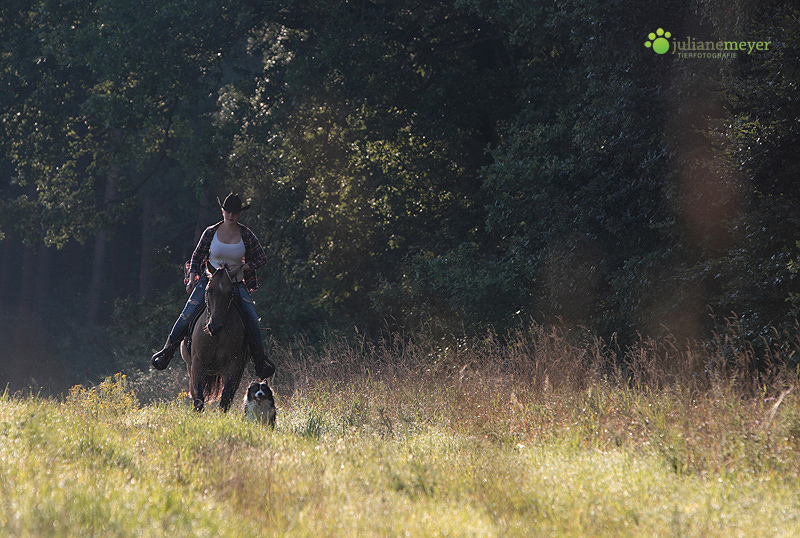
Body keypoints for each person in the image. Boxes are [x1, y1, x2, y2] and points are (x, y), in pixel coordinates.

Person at [151, 193, 275, 379]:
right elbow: (196, 257)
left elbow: (261, 258)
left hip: (235, 283)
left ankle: (260, 361)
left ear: (239, 214)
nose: (230, 216)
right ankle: (167, 351)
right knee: (187, 313)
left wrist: (244, 266)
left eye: (234, 212)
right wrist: (192, 279)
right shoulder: (211, 232)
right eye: (227, 211)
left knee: (251, 317)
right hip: (210, 283)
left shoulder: (246, 235)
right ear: (222, 211)